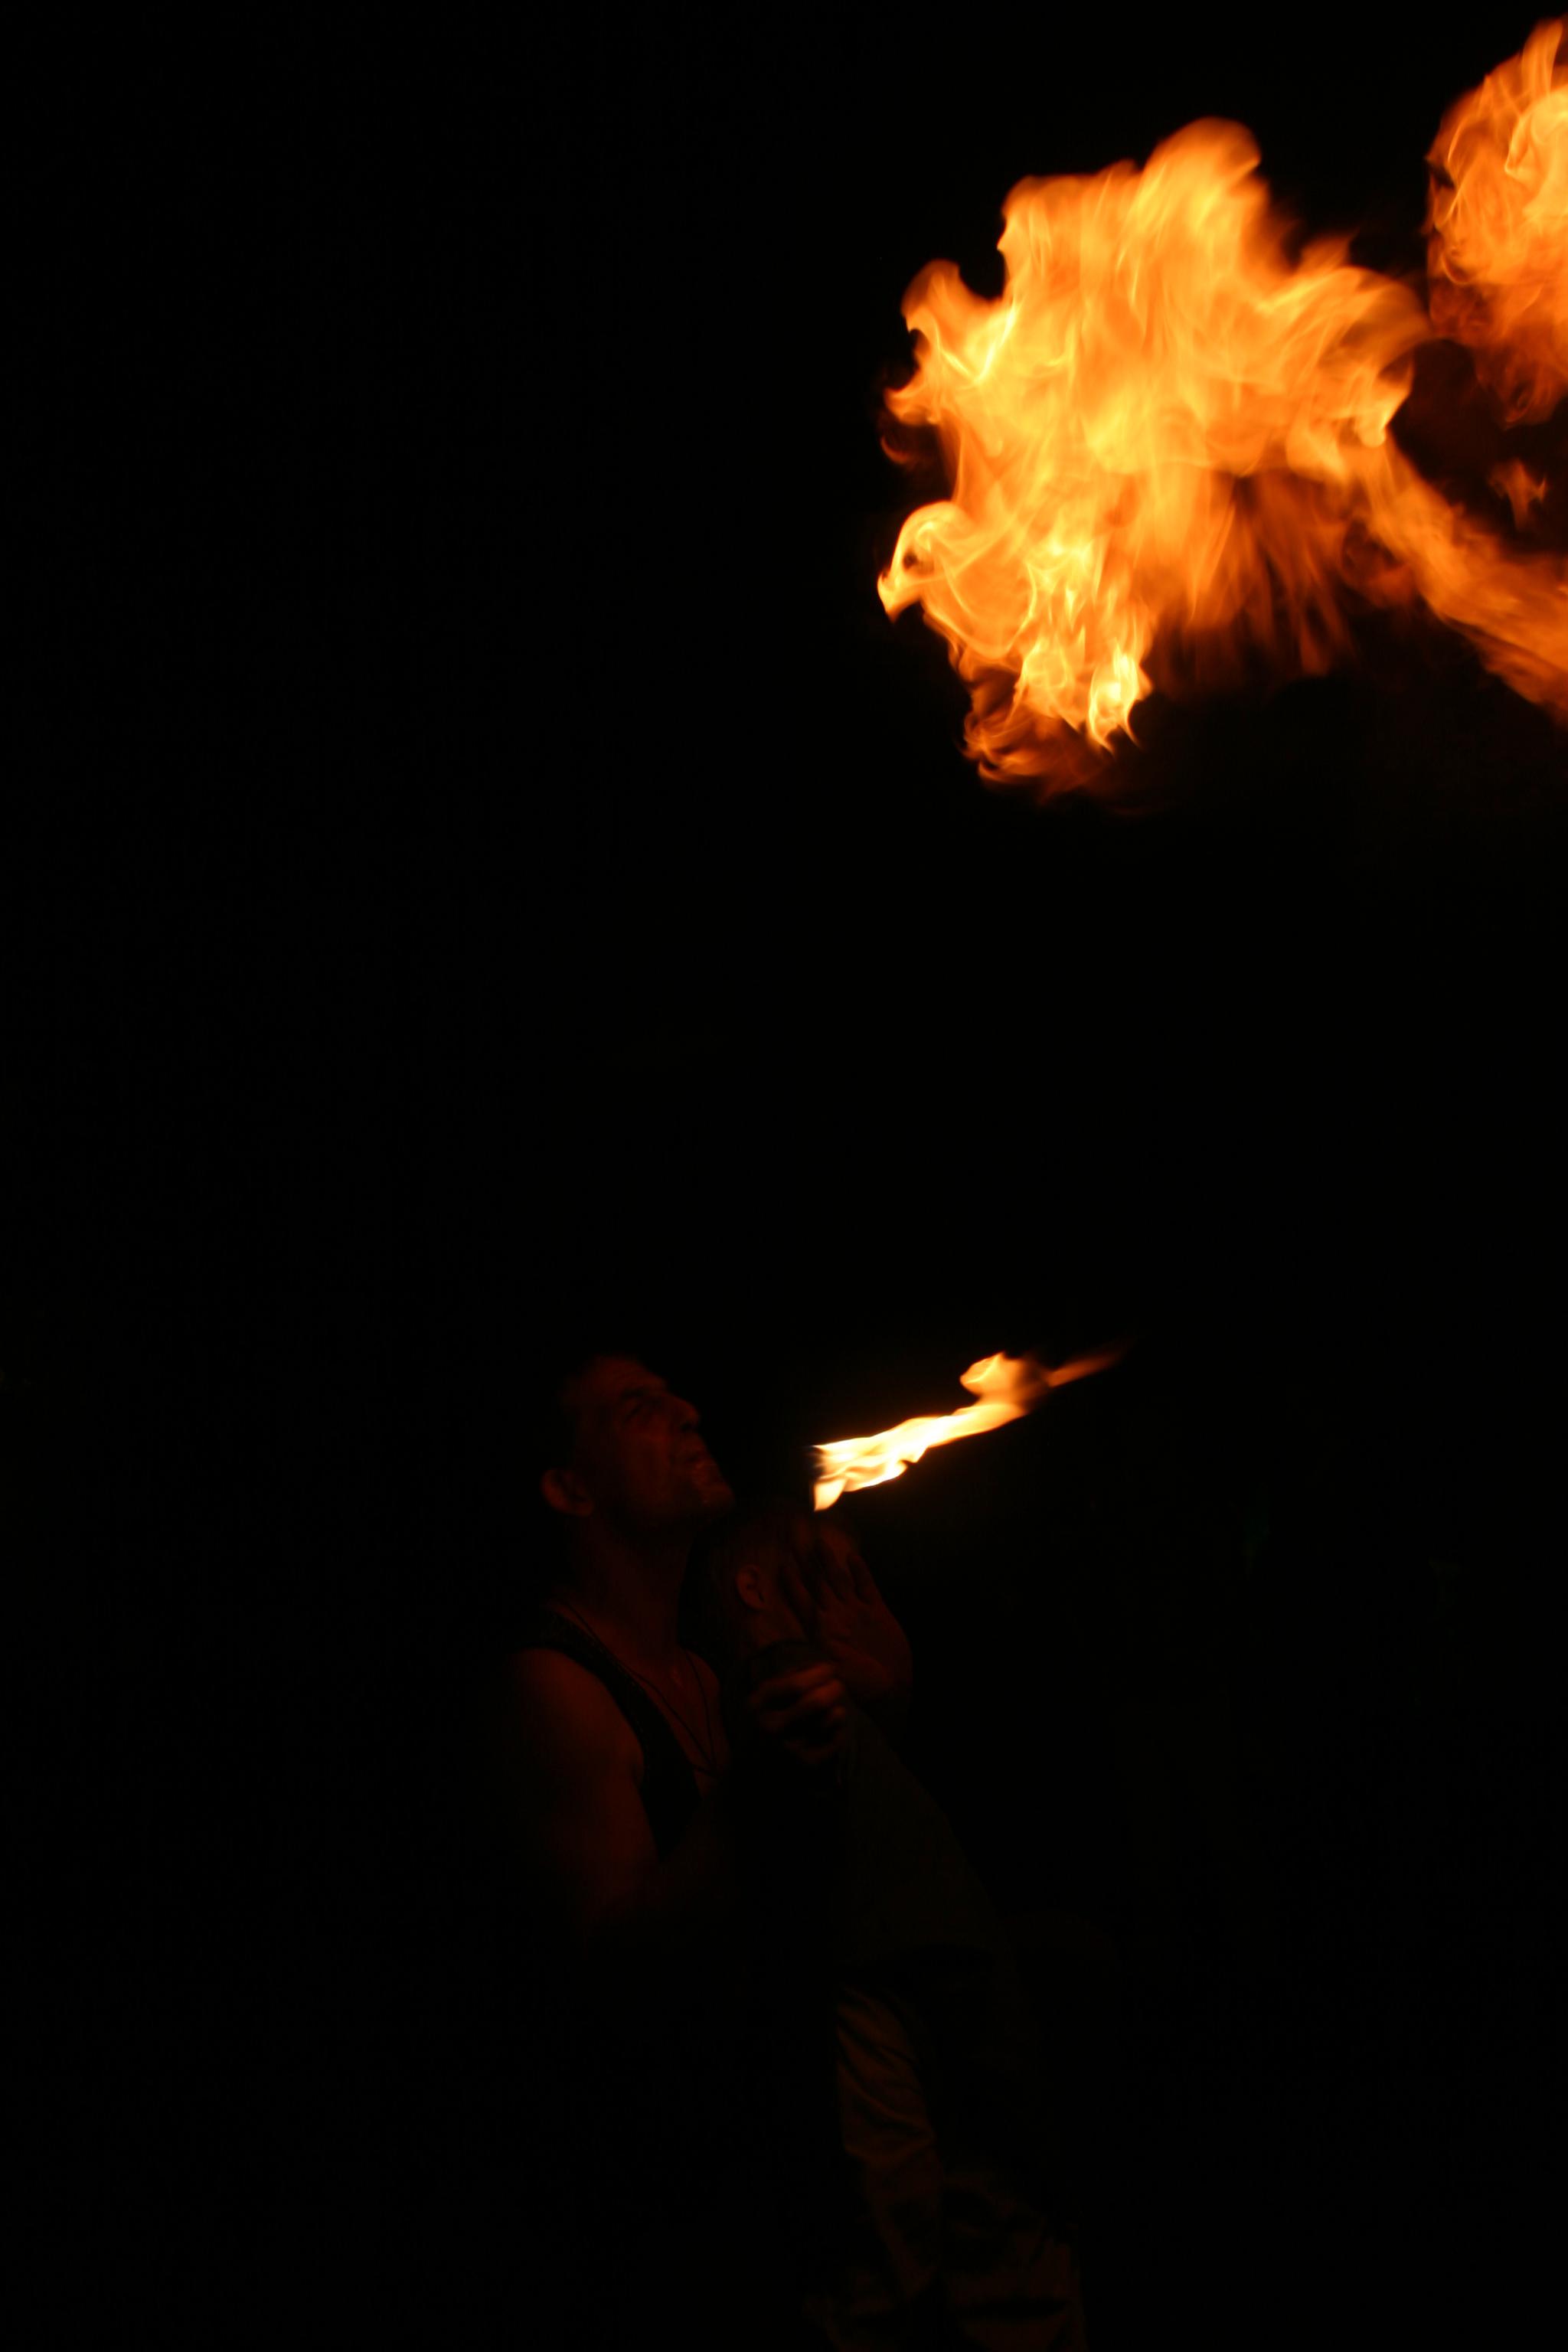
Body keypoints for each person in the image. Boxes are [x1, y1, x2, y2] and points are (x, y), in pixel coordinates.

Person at [476, 1345, 888, 2344]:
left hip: (769, 2184)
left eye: (675, 1397)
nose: (689, 1413)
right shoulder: (554, 1686)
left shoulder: (705, 1676)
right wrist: (755, 1792)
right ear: (569, 1488)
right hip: (657, 2221)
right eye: (640, 1409)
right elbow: (614, 1966)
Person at [700, 1501, 1089, 2352]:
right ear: (754, 1588)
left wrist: (882, 1680)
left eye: (862, 1579)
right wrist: (804, 1663)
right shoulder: (771, 1690)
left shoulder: (852, 1713)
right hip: (873, 1990)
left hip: (954, 1982)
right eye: (835, 1578)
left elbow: (880, 1710)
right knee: (888, 2265)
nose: (860, 1598)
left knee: (1010, 2238)